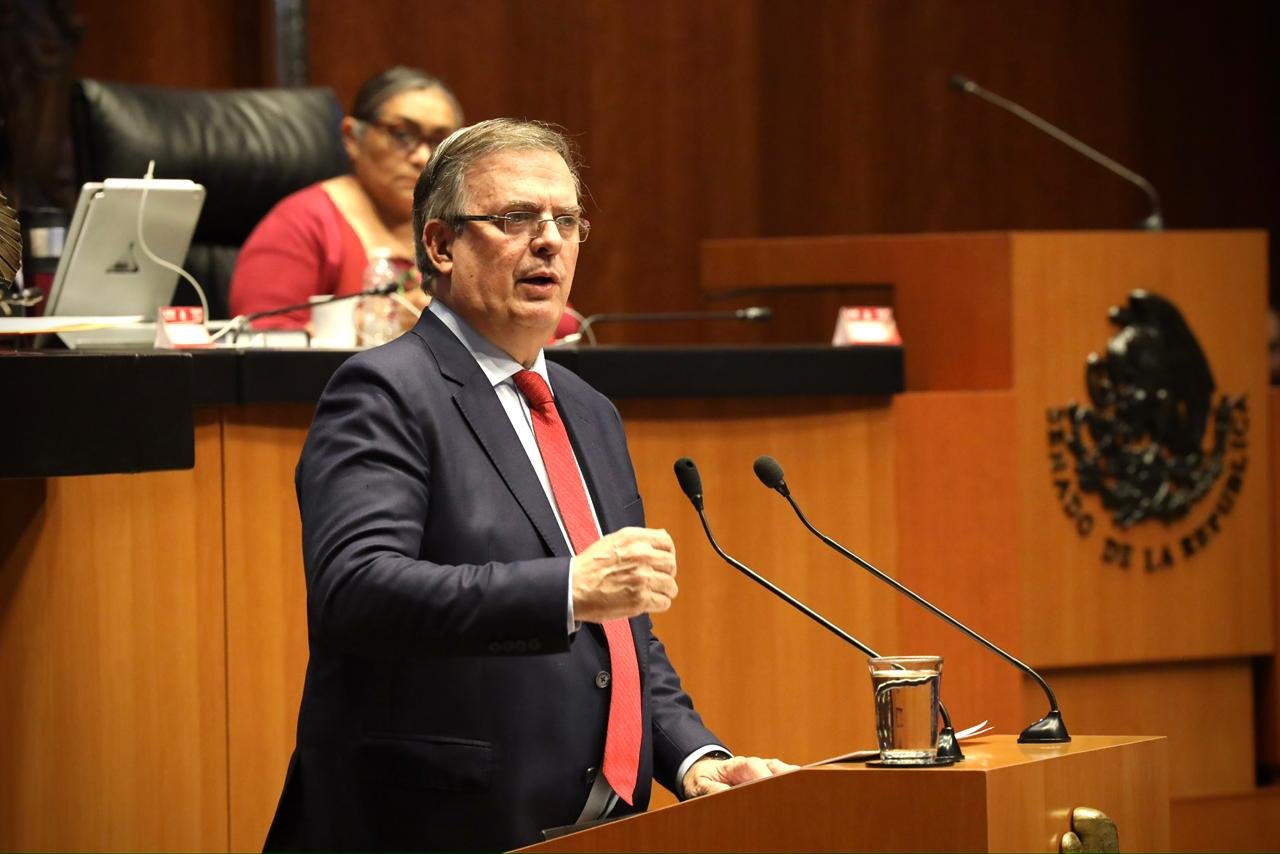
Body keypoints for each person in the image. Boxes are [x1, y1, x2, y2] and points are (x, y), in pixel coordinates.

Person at [264, 118, 793, 851]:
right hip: (432, 829)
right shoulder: (386, 392)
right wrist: (567, 588)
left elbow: (620, 631)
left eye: (566, 221)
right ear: (441, 245)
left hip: (594, 831)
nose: (549, 241)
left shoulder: (588, 410)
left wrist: (693, 757)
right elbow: (357, 592)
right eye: (516, 217)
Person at [227, 66, 459, 330]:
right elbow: (260, 335)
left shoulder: (462, 227)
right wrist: (379, 322)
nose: (422, 157)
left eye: (440, 141)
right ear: (351, 137)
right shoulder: (301, 222)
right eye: (401, 135)